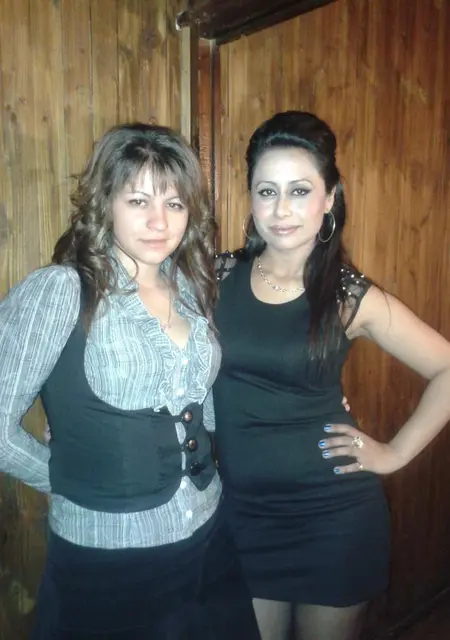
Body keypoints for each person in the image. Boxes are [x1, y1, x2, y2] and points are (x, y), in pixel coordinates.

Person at [0, 123, 260, 639]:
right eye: (138, 200)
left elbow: (201, 402)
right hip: (110, 558)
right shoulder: (60, 291)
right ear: (106, 204)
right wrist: (67, 475)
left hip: (210, 535)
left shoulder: (191, 287)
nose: (159, 221)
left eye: (175, 204)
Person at [213, 111, 450, 640]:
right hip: (242, 516)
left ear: (329, 198)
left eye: (299, 191)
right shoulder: (215, 276)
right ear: (250, 199)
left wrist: (393, 453)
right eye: (266, 191)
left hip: (333, 518)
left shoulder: (348, 296)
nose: (281, 210)